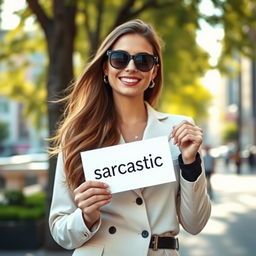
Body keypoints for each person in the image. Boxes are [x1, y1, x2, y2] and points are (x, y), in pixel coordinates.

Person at [49, 19, 211, 256]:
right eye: (119, 58)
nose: (131, 67)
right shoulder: (79, 135)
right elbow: (60, 230)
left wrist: (191, 164)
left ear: (154, 71)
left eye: (143, 61)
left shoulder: (178, 131)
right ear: (106, 67)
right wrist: (86, 215)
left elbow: (195, 224)